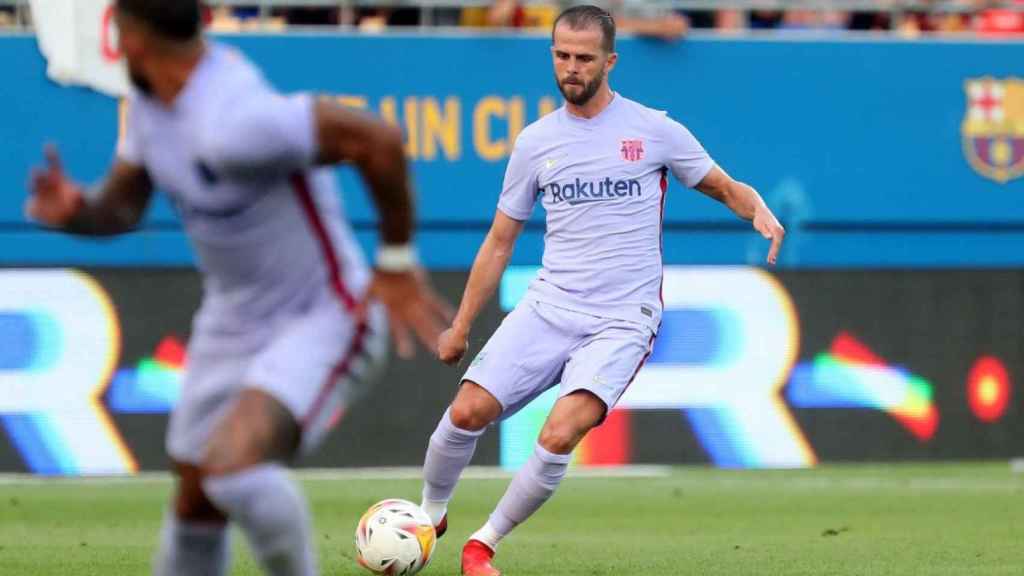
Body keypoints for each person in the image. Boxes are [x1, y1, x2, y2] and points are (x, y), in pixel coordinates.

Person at [25, 1, 450, 575]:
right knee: (197, 492)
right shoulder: (150, 107)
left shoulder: (235, 118)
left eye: (118, 29)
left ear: (134, 39)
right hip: (233, 318)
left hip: (322, 313)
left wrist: (396, 261)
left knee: (232, 466)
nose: (115, 44)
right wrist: (79, 211)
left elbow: (375, 140)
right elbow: (124, 204)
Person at [416, 5, 785, 576]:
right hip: (548, 306)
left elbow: (718, 184)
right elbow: (498, 241)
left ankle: (482, 545)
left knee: (562, 429)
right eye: (561, 56)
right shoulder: (536, 142)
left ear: (609, 61)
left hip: (623, 317)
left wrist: (756, 209)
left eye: (584, 58)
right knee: (467, 411)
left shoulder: (654, 130)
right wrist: (461, 325)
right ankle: (427, 518)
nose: (571, 68)